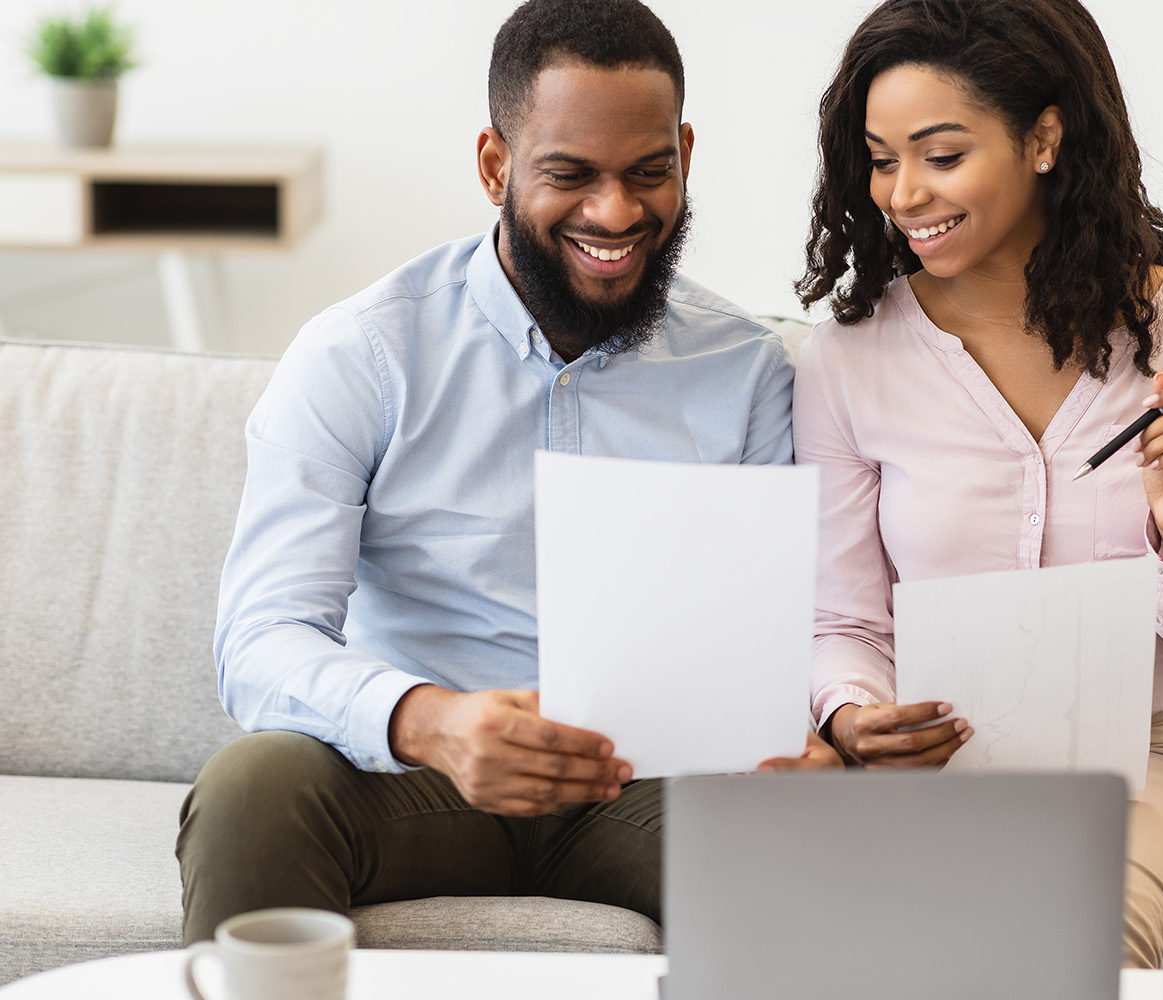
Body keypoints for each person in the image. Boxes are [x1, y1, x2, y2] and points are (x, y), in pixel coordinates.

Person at [178, 0, 833, 946]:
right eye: (570, 175)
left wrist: (806, 734)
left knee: (807, 833)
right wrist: (430, 721)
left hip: (641, 789)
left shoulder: (746, 369)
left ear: (685, 151)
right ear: (495, 164)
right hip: (414, 780)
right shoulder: (361, 354)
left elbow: (784, 627)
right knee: (252, 786)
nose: (616, 213)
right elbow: (261, 638)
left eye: (649, 173)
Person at [794, 0, 1163, 968]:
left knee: (1069, 940)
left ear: (1045, 138)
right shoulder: (848, 360)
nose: (900, 194)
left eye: (940, 157)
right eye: (880, 157)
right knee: (832, 946)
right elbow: (841, 622)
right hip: (924, 771)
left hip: (1136, 768)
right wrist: (855, 714)